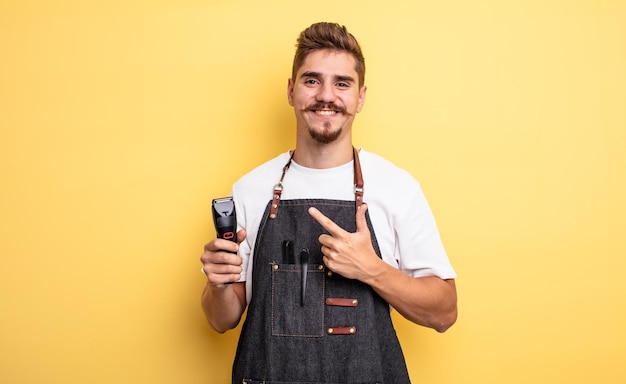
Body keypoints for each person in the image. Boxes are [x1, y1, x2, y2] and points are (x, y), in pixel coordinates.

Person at [200, 22, 457, 384]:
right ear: (291, 91)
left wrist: (372, 269)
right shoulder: (250, 189)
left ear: (360, 97)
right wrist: (218, 284)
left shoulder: (396, 187)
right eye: (311, 80)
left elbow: (444, 312)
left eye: (341, 83)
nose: (326, 96)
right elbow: (220, 319)